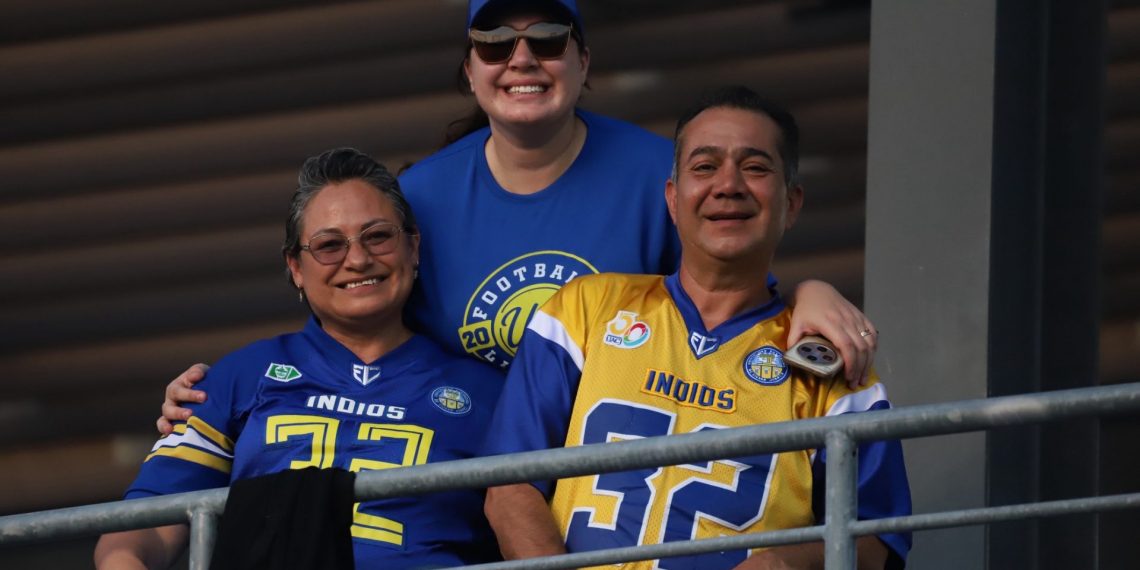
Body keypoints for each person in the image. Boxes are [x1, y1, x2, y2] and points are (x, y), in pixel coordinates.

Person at [157, 0, 879, 432]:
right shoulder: (420, 196)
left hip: (623, 472)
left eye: (548, 39)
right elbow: (350, 324)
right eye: (497, 44)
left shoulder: (657, 172)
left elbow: (732, 288)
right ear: (470, 70)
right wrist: (221, 403)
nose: (522, 58)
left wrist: (809, 293)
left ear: (584, 60)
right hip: (467, 472)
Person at [482, 87, 912, 569]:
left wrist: (783, 564)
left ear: (791, 204)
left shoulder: (831, 368)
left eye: (755, 167)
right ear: (672, 198)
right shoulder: (585, 308)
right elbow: (509, 486)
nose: (728, 185)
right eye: (705, 167)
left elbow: (878, 542)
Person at [94, 149, 502, 569]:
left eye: (378, 236)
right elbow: (143, 524)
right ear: (296, 268)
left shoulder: (489, 392)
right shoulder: (239, 375)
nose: (358, 259)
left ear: (413, 247)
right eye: (329, 245)